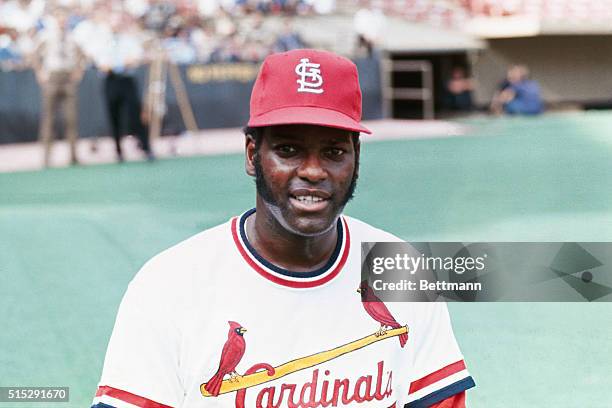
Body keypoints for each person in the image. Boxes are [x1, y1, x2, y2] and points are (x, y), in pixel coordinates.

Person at [92, 49, 475, 408]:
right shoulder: (169, 284)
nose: (312, 171)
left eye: (334, 151)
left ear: (356, 158)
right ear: (251, 155)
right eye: (288, 150)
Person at [94, 14, 154, 162]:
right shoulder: (103, 41)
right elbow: (101, 63)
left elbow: (135, 58)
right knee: (113, 116)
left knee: (135, 114)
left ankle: (146, 147)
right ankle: (118, 151)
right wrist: (110, 66)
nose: (115, 26)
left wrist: (124, 63)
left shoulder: (129, 40)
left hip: (127, 80)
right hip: (111, 81)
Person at [32, 7, 85, 167]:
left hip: (68, 78)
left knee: (71, 119)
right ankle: (46, 158)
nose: (62, 21)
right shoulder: (46, 36)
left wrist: (78, 71)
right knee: (49, 119)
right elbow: (35, 55)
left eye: (65, 18)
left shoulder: (73, 36)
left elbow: (82, 55)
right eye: (59, 18)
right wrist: (39, 72)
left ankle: (74, 156)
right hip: (52, 78)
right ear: (54, 19)